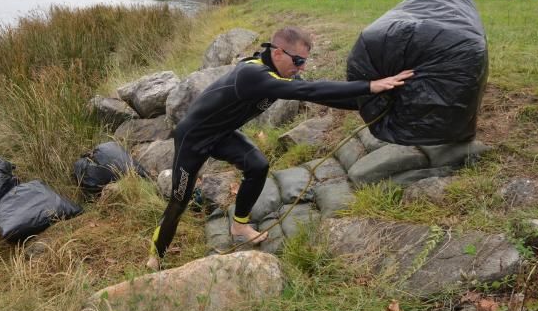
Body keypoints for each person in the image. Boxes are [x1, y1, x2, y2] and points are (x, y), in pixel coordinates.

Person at [146, 28, 413, 270]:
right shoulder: (253, 75)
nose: (301, 67)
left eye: (304, 61)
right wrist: (369, 86)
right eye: (298, 61)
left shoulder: (275, 73)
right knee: (179, 201)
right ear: (277, 52)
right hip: (193, 138)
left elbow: (321, 93)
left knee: (258, 166)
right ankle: (156, 256)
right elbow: (309, 91)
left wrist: (371, 102)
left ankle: (239, 225)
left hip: (223, 133)